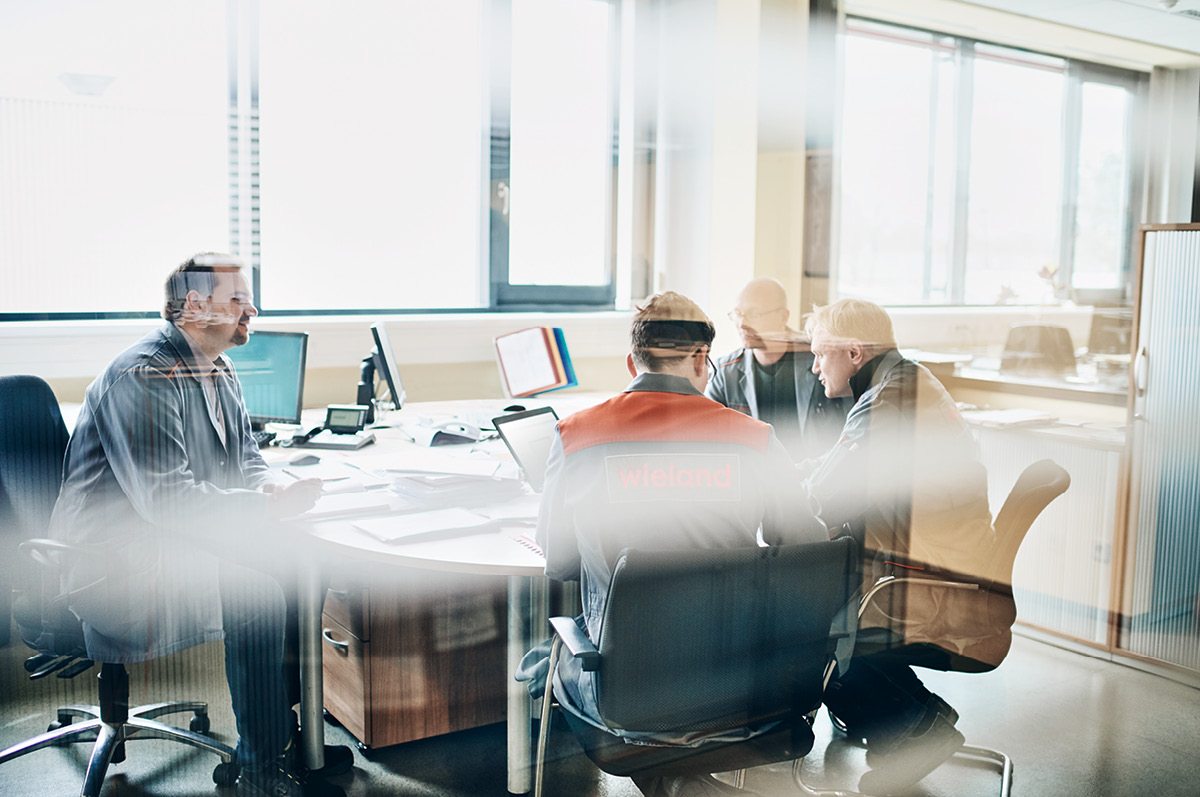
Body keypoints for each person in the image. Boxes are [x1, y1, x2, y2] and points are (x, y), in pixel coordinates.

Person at [49, 254, 348, 797]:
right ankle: (261, 772)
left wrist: (270, 488)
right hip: (115, 565)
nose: (251, 309)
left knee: (308, 563)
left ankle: (279, 738)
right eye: (238, 300)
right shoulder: (144, 376)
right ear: (195, 306)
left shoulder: (219, 369)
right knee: (255, 591)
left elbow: (247, 458)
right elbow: (166, 500)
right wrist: (262, 512)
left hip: (171, 543)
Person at [530, 291, 825, 797]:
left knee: (545, 662)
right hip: (742, 681)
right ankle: (683, 783)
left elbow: (558, 562)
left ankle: (672, 782)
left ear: (632, 361)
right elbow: (805, 550)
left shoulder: (576, 435)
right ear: (699, 359)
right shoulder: (753, 438)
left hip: (628, 689)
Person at [802, 298, 996, 795]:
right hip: (947, 561)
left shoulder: (886, 401)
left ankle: (916, 726)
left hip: (923, 577)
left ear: (854, 352)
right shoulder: (908, 380)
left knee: (803, 623)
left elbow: (824, 499)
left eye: (821, 353)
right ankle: (907, 721)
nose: (814, 364)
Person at [706, 277, 851, 462]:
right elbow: (711, 442)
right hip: (756, 482)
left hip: (815, 478)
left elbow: (848, 431)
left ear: (783, 316)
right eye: (738, 314)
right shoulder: (725, 374)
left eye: (753, 314)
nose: (742, 324)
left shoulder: (823, 358)